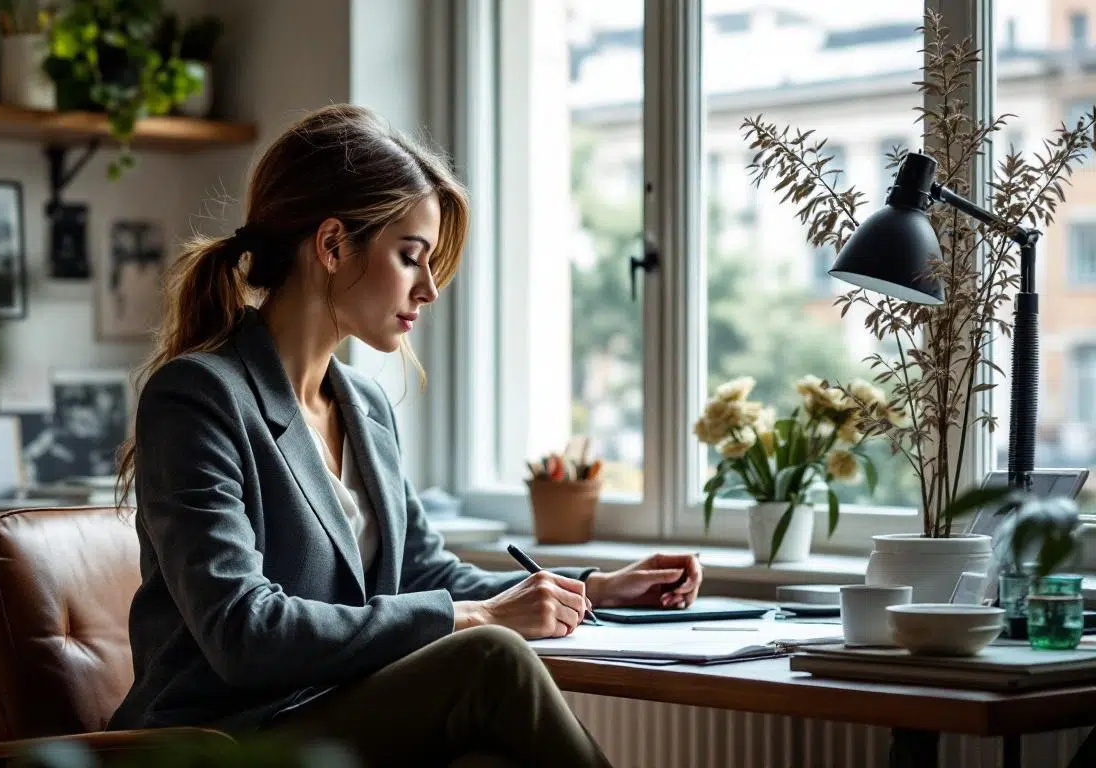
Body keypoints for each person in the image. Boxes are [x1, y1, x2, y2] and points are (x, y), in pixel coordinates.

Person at [108, 103, 703, 768]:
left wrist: (592, 588)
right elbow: (243, 631)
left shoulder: (364, 406)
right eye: (411, 257)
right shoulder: (198, 396)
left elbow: (425, 571)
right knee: (490, 657)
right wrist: (476, 618)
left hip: (336, 711)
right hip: (226, 740)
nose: (429, 290)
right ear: (332, 245)